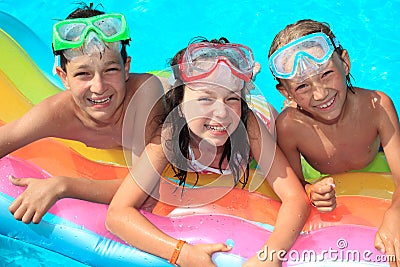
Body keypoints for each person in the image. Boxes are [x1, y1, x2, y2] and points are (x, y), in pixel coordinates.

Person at [106, 37, 309, 267]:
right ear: (181, 103)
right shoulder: (169, 134)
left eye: (231, 98)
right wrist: (181, 253)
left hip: (262, 117)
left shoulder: (248, 122)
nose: (221, 112)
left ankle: (252, 85)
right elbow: (117, 214)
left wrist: (270, 257)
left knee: (274, 115)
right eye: (205, 98)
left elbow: (295, 198)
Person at [6, 3, 164, 224]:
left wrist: (62, 185)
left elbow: (144, 190)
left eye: (110, 70)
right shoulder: (58, 113)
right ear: (63, 77)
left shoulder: (145, 95)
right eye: (83, 74)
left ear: (126, 68)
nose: (99, 87)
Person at [268, 19, 400, 264]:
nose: (320, 94)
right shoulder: (289, 127)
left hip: (377, 161)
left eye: (326, 74)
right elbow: (293, 189)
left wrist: (396, 212)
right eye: (302, 86)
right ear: (286, 93)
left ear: (345, 62)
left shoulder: (378, 107)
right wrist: (310, 190)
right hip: (317, 172)